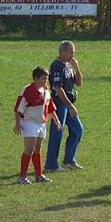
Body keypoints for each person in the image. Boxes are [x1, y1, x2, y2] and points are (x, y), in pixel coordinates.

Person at [14, 67, 61, 185]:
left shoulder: (46, 91)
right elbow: (18, 109)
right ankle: (22, 176)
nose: (45, 81)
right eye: (43, 78)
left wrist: (56, 119)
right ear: (35, 78)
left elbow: (49, 107)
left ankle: (39, 175)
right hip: (30, 123)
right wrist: (18, 124)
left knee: (38, 149)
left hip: (41, 123)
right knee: (29, 149)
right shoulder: (27, 90)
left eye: (46, 78)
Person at [44, 40, 84, 172]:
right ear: (63, 51)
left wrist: (77, 68)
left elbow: (79, 83)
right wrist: (70, 106)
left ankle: (69, 160)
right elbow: (57, 88)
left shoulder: (68, 65)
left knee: (78, 129)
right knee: (57, 133)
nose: (73, 55)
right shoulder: (56, 66)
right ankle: (51, 165)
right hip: (59, 105)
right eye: (71, 52)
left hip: (67, 104)